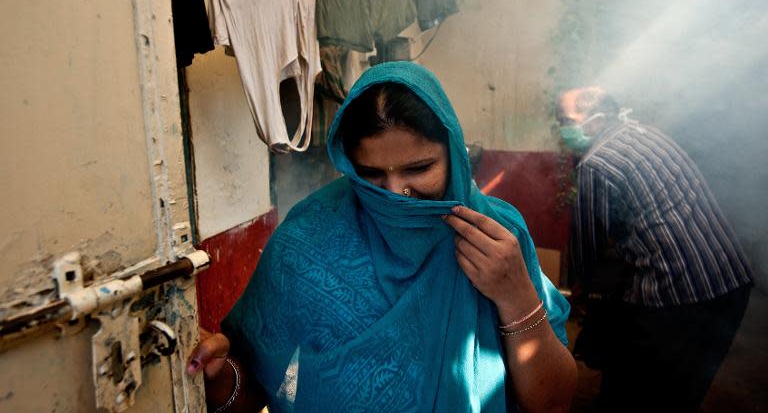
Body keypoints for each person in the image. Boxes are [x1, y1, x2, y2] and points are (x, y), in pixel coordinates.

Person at [188, 62, 577, 413]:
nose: (396, 193)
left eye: (419, 168)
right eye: (372, 174)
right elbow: (253, 388)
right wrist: (220, 377)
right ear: (349, 164)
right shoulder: (306, 244)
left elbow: (553, 400)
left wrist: (515, 294)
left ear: (454, 152)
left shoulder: (496, 238)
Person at [557, 86, 753, 413]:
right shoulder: (648, 134)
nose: (562, 130)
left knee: (631, 396)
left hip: (675, 297)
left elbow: (586, 245)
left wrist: (581, 287)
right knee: (679, 396)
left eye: (566, 120)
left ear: (597, 119)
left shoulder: (597, 161)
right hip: (728, 283)